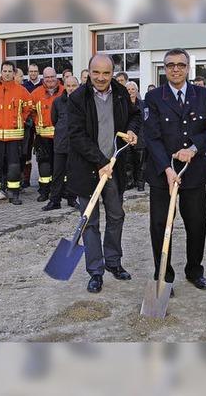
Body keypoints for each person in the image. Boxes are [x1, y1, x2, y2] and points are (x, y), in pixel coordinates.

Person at [144, 48, 206, 293]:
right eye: (170, 65)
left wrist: (193, 149)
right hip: (162, 175)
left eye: (181, 65)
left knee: (197, 223)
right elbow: (152, 137)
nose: (176, 69)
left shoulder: (204, 95)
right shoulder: (154, 99)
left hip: (193, 172)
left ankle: (194, 270)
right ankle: (163, 274)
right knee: (161, 225)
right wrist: (166, 167)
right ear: (165, 69)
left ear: (188, 68)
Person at [66, 54, 141, 293]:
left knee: (116, 215)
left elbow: (136, 115)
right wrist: (100, 161)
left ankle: (113, 262)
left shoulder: (120, 92)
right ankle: (95, 272)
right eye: (96, 72)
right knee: (91, 222)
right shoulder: (78, 98)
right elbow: (76, 135)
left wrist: (131, 130)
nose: (101, 78)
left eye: (106, 73)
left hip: (114, 168)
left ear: (112, 72)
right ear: (88, 71)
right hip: (87, 168)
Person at [0, 61, 32, 207]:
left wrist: (20, 119)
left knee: (14, 166)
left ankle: (13, 195)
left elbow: (28, 108)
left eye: (10, 71)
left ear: (14, 73)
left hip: (15, 137)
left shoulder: (21, 90)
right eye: (5, 71)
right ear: (1, 72)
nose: (7, 73)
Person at [42, 75, 80, 211]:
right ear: (65, 86)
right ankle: (55, 201)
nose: (71, 89)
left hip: (76, 145)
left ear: (78, 86)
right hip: (61, 143)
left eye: (73, 86)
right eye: (68, 86)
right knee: (57, 174)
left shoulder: (84, 101)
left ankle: (72, 199)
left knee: (74, 174)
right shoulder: (58, 102)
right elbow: (54, 119)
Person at [31, 67, 64, 202]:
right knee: (44, 167)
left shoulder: (64, 91)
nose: (50, 79)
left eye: (52, 76)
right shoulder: (36, 93)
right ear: (43, 78)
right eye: (47, 77)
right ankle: (44, 191)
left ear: (57, 77)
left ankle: (62, 191)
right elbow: (30, 113)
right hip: (42, 137)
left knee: (60, 166)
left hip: (60, 137)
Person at [126, 81, 147, 191]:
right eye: (128, 90)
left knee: (141, 164)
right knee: (128, 162)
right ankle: (130, 182)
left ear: (137, 90)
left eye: (132, 89)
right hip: (126, 138)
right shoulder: (123, 105)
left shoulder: (143, 104)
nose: (130, 92)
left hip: (141, 138)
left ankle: (140, 184)